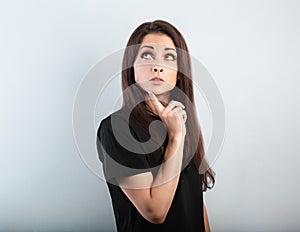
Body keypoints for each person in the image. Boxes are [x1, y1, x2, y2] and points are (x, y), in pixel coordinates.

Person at [96, 19, 215, 232]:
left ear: (179, 72)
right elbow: (155, 211)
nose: (157, 66)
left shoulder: (181, 121)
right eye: (147, 55)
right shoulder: (117, 128)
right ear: (132, 67)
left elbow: (196, 203)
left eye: (169, 57)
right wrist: (176, 139)